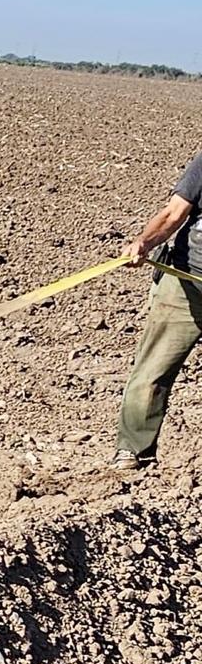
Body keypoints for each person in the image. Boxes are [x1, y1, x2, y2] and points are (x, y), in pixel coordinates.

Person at [113, 149, 202, 470]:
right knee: (152, 372)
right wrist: (144, 243)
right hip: (184, 283)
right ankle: (133, 452)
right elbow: (174, 213)